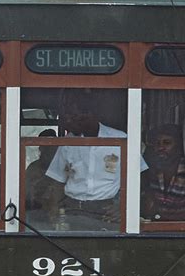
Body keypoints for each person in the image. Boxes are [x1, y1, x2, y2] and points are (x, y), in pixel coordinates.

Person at [45, 95, 126, 227]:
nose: (69, 121)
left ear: (90, 114)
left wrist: (122, 206)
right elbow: (57, 180)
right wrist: (53, 209)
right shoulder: (68, 142)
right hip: (72, 209)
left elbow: (139, 178)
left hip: (106, 211)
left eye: (74, 116)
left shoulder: (120, 139)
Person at [142, 124, 185, 222]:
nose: (161, 147)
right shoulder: (152, 170)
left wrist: (160, 216)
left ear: (179, 146)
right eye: (157, 143)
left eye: (167, 143)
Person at [25, 129, 58, 211]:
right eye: (45, 147)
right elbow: (26, 193)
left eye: (52, 147)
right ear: (40, 148)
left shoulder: (62, 166)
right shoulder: (33, 168)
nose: (49, 150)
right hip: (35, 209)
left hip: (59, 208)